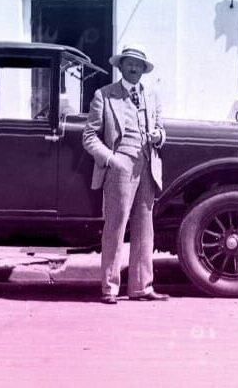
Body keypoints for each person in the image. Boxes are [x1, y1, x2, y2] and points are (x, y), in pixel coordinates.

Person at [82, 45, 169, 304]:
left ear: (144, 69)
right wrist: (111, 159)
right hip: (120, 167)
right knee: (115, 227)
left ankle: (142, 287)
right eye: (129, 63)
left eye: (138, 65)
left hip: (148, 166)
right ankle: (109, 289)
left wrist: (159, 136)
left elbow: (162, 129)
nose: (134, 68)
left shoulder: (152, 95)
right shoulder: (105, 95)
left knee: (145, 229)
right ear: (120, 67)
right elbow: (89, 137)